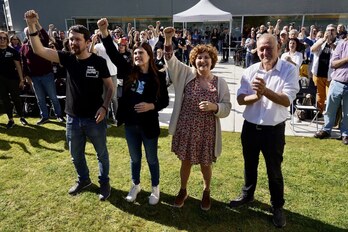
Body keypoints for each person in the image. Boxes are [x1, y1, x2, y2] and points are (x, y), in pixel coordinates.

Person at [24, 10, 115, 201]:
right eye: (71, 39)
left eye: (77, 39)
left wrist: (105, 107)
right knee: (76, 155)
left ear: (88, 41)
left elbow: (110, 87)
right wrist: (32, 26)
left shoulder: (98, 62)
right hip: (72, 118)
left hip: (94, 119)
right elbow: (39, 50)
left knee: (101, 154)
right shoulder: (67, 58)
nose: (73, 42)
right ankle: (84, 180)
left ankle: (104, 182)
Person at [229, 34, 299, 228]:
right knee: (249, 164)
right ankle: (248, 194)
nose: (265, 52)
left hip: (273, 131)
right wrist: (256, 96)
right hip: (250, 127)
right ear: (256, 50)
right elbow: (241, 99)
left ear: (278, 48)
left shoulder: (288, 70)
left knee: (274, 170)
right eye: (261, 49)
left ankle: (277, 206)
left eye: (269, 48)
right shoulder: (250, 70)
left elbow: (286, 100)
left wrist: (265, 91)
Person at [97, 18, 169, 205]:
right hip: (131, 125)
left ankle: (155, 188)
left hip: (149, 125)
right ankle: (135, 185)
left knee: (152, 159)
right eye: (135, 53)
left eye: (141, 53)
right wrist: (104, 33)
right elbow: (113, 54)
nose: (137, 55)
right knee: (135, 158)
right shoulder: (128, 71)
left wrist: (151, 106)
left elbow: (164, 101)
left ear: (149, 55)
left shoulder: (158, 76)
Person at [163, 27, 231, 211]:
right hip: (186, 127)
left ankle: (206, 191)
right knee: (185, 162)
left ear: (212, 61)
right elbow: (170, 60)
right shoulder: (186, 74)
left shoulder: (220, 82)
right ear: (194, 61)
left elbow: (227, 107)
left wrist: (214, 107)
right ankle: (183, 190)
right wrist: (168, 40)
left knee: (205, 164)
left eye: (206, 57)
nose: (202, 60)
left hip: (207, 131)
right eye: (199, 58)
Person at [20, 22, 65, 125]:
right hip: (34, 77)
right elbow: (24, 63)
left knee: (53, 97)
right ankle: (44, 116)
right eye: (28, 33)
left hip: (47, 75)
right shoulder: (24, 47)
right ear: (26, 35)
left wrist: (36, 23)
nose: (30, 34)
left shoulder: (42, 43)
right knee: (40, 98)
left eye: (32, 32)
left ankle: (59, 115)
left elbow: (45, 35)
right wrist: (26, 76)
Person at [314, 38, 348, 145]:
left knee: (347, 113)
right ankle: (326, 130)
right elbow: (333, 63)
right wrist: (346, 59)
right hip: (337, 82)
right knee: (330, 109)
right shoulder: (342, 45)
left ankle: (345, 134)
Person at [0, 30, 28, 129]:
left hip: (12, 79)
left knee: (16, 99)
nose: (2, 40)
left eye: (4, 38)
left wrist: (21, 80)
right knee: (5, 100)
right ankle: (11, 119)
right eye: (0, 38)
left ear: (7, 40)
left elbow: (19, 66)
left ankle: (22, 117)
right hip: (1, 81)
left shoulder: (13, 51)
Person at [310, 24, 337, 114]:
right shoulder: (321, 41)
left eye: (332, 30)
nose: (330, 32)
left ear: (336, 32)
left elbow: (339, 52)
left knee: (330, 96)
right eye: (328, 30)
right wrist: (323, 40)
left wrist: (331, 43)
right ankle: (318, 113)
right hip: (318, 73)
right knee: (320, 95)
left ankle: (330, 115)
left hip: (332, 75)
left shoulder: (339, 42)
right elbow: (312, 49)